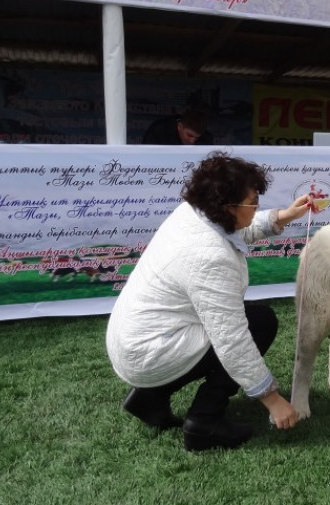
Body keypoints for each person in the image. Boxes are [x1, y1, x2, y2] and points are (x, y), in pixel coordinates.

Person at [106, 150, 313, 452]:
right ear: (227, 207)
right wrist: (272, 399)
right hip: (149, 350)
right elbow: (232, 340)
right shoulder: (209, 256)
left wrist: (281, 217)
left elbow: (233, 229)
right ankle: (204, 422)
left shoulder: (192, 213)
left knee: (245, 321)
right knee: (259, 324)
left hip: (133, 339)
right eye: (253, 202)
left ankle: (150, 398)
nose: (257, 207)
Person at [142, 108, 214, 145]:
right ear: (180, 126)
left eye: (197, 138)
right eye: (189, 135)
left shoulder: (206, 137)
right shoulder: (158, 131)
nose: (192, 141)